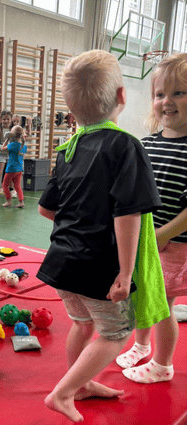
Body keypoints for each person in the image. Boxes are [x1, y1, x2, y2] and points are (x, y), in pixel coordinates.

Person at [37, 50, 167, 422]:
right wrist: (126, 273)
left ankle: (80, 384)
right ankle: (62, 393)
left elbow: (47, 209)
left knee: (82, 323)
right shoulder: (125, 145)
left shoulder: (68, 149)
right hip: (97, 266)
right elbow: (129, 214)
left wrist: (78, 221)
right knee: (115, 334)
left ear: (70, 108)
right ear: (123, 97)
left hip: (62, 262)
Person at [116, 53, 187, 384]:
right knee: (142, 296)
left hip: (173, 245)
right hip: (147, 242)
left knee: (163, 306)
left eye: (178, 93)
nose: (166, 101)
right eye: (160, 94)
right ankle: (141, 345)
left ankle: (162, 364)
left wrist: (165, 233)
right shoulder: (146, 145)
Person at [0, 110, 16, 196]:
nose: (6, 121)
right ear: (1, 119)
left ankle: (11, 189)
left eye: (8, 119)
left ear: (11, 120)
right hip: (1, 154)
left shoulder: (13, 130)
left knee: (11, 172)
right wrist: (2, 148)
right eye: (4, 119)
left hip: (11, 154)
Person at [0, 125, 27, 208]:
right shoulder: (23, 146)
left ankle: (8, 201)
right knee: (17, 186)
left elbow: (2, 148)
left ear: (13, 135)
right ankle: (21, 202)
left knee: (4, 185)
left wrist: (7, 139)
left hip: (11, 168)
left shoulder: (12, 145)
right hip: (19, 169)